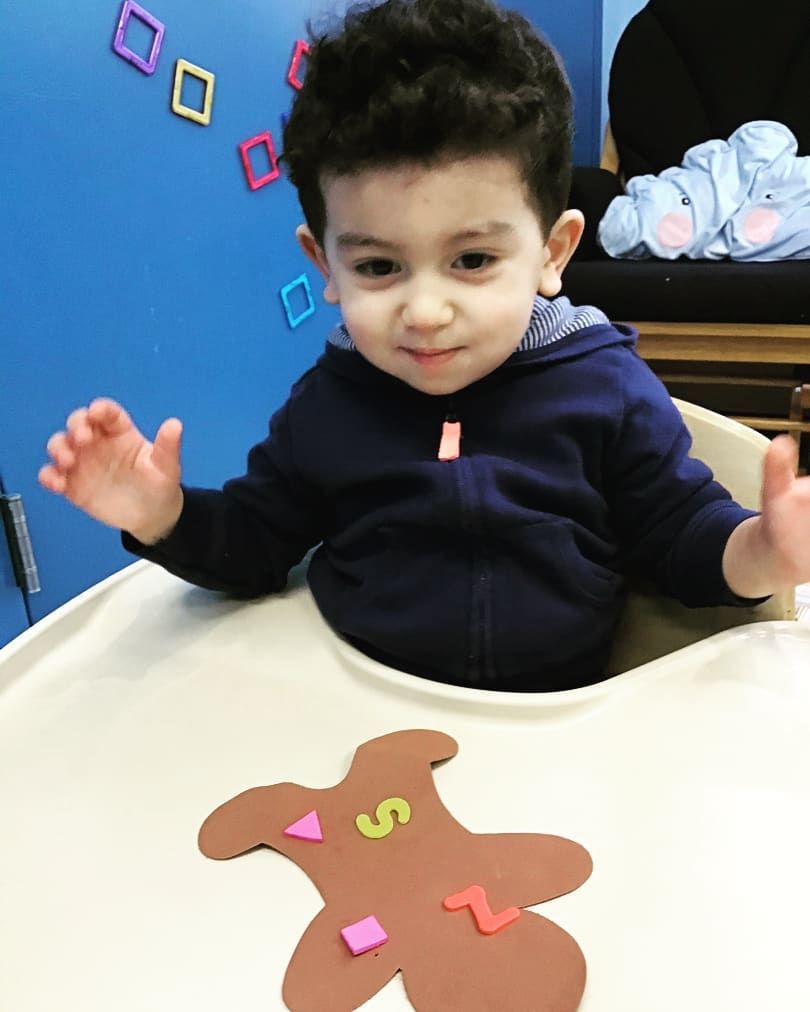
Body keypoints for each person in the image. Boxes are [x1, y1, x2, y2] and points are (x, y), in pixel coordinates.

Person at [39, 0, 810, 691]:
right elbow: (251, 548)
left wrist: (765, 551)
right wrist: (162, 512)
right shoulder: (328, 406)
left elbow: (683, 542)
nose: (427, 311)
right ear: (326, 265)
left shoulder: (606, 390)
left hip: (563, 728)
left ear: (552, 252)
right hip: (358, 707)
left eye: (472, 260)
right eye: (379, 266)